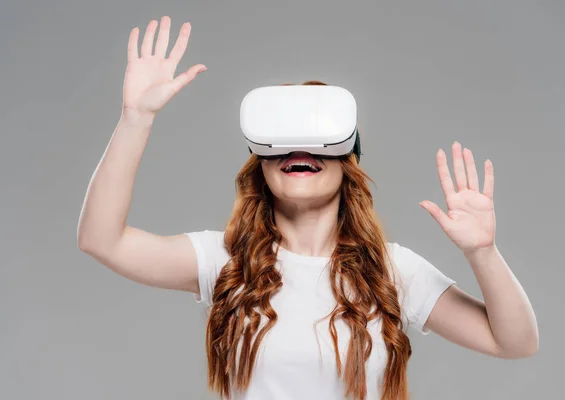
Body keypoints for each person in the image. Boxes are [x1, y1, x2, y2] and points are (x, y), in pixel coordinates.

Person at [77, 16, 539, 400]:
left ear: (349, 164)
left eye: (318, 140)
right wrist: (135, 118)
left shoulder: (392, 271)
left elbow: (515, 342)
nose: (300, 150)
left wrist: (483, 253)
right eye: (281, 141)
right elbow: (102, 240)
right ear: (261, 165)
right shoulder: (226, 261)